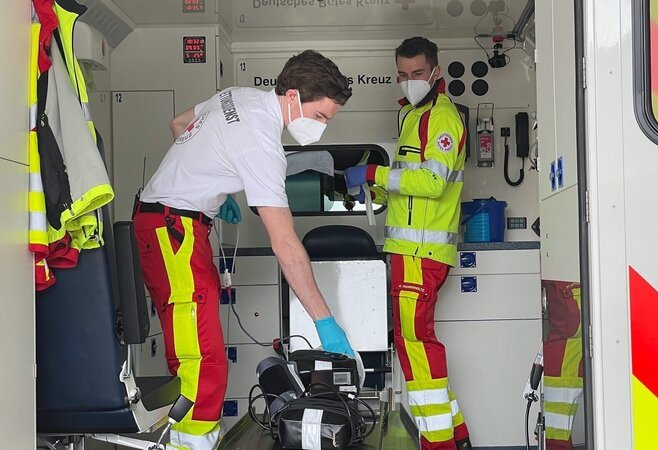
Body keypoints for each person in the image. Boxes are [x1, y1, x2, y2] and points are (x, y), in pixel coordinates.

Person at [132, 50, 355, 450]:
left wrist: (211, 187)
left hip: (172, 224)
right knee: (202, 359)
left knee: (199, 350)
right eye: (320, 116)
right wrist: (325, 323)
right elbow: (285, 243)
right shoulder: (262, 146)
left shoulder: (238, 95)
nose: (321, 127)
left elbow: (179, 124)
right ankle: (189, 444)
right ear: (292, 97)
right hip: (173, 232)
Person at [344, 37, 470, 450]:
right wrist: (377, 192)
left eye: (417, 73)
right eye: (402, 74)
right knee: (417, 342)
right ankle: (457, 436)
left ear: (436, 71)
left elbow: (432, 183)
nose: (409, 81)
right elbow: (408, 184)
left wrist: (374, 176)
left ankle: (439, 444)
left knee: (415, 344)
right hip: (408, 253)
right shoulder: (410, 117)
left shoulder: (442, 119)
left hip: (421, 254)